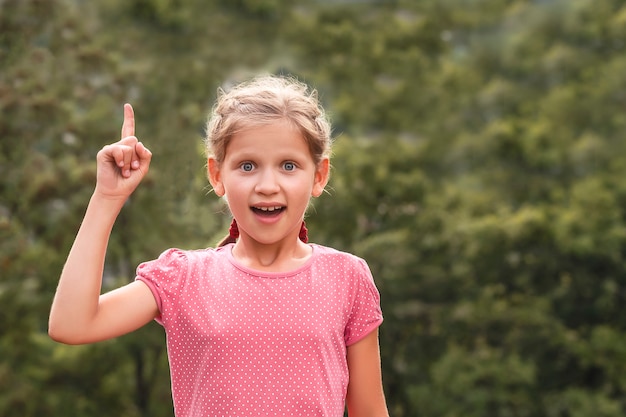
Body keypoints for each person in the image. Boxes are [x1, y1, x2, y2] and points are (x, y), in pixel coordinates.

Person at [49, 75, 389, 417]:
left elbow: (370, 411)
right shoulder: (182, 278)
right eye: (247, 166)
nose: (267, 185)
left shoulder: (347, 278)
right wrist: (107, 198)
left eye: (288, 166)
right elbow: (71, 324)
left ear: (319, 175)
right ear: (216, 175)